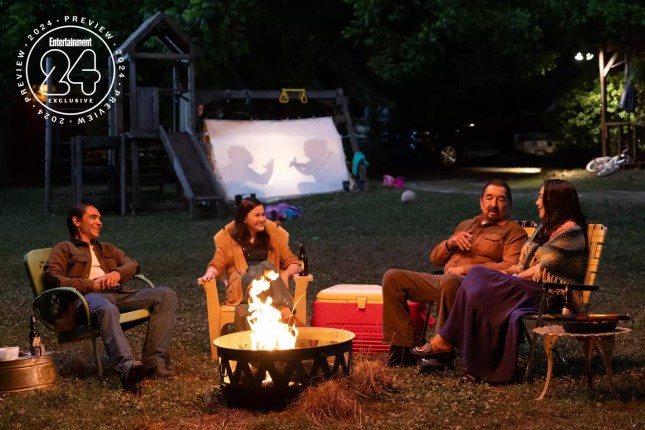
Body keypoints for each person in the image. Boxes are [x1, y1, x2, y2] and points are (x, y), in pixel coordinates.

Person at [412, 179, 587, 384]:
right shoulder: (544, 230)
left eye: (541, 197)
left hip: (550, 295)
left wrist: (510, 278)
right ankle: (476, 366)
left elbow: (543, 268)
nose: (537, 202)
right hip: (526, 288)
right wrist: (505, 275)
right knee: (479, 280)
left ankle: (445, 340)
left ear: (555, 201)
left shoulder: (571, 233)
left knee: (481, 283)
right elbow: (521, 265)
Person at [382, 179, 528, 367]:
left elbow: (511, 266)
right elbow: (435, 259)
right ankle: (402, 349)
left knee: (450, 280)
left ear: (509, 204)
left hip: (476, 288)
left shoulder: (514, 232)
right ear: (481, 201)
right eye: (489, 198)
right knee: (393, 278)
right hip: (444, 281)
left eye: (500, 200)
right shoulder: (466, 224)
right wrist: (450, 243)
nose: (493, 204)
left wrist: (465, 270)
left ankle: (442, 352)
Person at [43, 204, 177, 392]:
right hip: (86, 298)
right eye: (93, 217)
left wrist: (117, 273)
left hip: (117, 294)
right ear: (76, 221)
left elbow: (132, 264)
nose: (99, 222)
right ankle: (127, 369)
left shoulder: (106, 248)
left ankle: (153, 364)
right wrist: (92, 285)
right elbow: (52, 277)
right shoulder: (64, 248)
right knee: (106, 308)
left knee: (166, 295)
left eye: (100, 218)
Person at [198, 197, 302, 330]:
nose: (262, 219)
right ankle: (285, 310)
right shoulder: (230, 241)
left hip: (267, 290)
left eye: (263, 215)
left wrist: (286, 274)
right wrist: (210, 273)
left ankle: (262, 340)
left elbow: (294, 262)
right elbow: (217, 263)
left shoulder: (273, 240)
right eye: (257, 215)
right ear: (245, 218)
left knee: (244, 309)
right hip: (242, 287)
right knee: (267, 266)